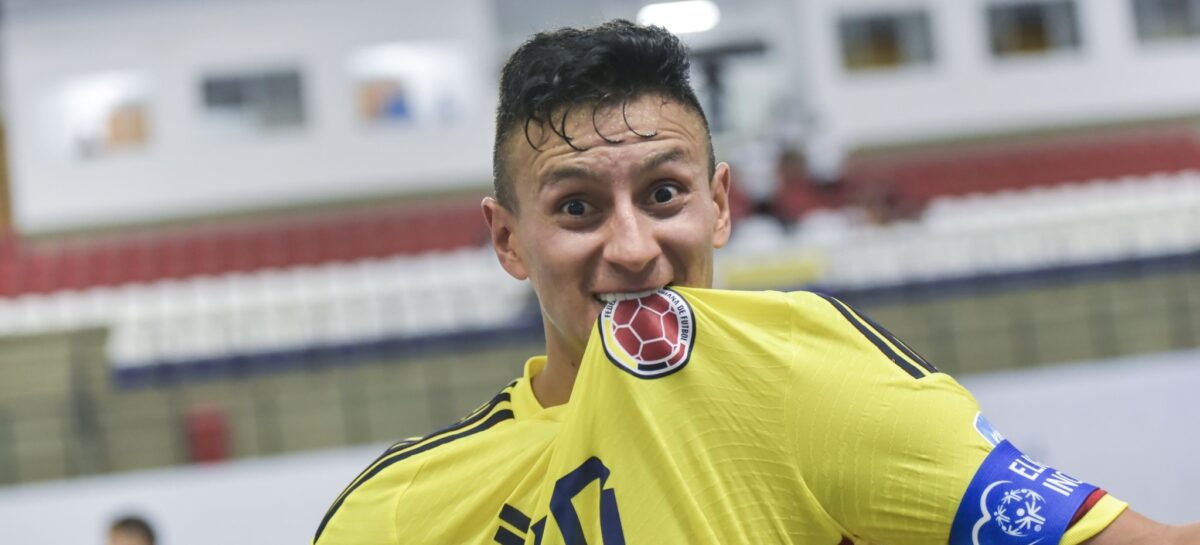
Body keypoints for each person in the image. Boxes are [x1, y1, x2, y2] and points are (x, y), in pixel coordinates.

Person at [314, 20, 1197, 544]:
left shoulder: (797, 374)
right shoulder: (398, 512)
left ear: (721, 204)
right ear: (508, 240)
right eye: (577, 207)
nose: (633, 246)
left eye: (663, 194)